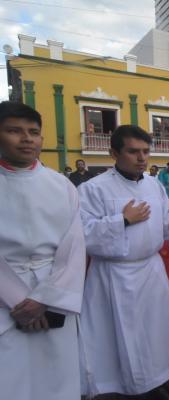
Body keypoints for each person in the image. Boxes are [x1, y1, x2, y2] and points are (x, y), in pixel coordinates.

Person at [77, 125, 169, 398]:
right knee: (119, 338)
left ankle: (153, 381)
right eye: (133, 151)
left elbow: (166, 223)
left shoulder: (153, 185)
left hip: (151, 271)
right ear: (114, 152)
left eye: (146, 151)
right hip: (113, 277)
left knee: (154, 334)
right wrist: (122, 220)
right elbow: (81, 235)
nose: (142, 158)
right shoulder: (92, 188)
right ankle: (121, 387)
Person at [0, 101, 86, 400]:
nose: (26, 139)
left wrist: (44, 298)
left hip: (53, 295)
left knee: (57, 379)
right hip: (6, 302)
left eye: (34, 132)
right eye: (14, 131)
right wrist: (19, 301)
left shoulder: (61, 185)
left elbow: (74, 248)